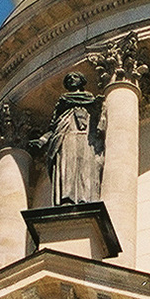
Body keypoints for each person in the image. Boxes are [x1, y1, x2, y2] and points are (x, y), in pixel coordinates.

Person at [32, 73, 103, 205]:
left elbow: (99, 120)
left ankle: (85, 198)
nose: (71, 79)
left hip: (85, 137)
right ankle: (67, 198)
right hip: (65, 137)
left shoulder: (89, 99)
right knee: (66, 166)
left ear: (82, 81)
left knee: (85, 165)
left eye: (74, 77)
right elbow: (53, 127)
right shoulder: (63, 102)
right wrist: (42, 140)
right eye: (68, 78)